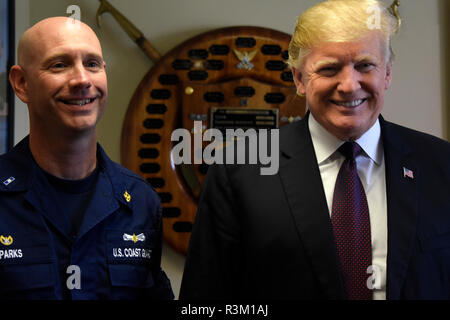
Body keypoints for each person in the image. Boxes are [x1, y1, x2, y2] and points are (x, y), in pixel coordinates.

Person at [179, 0, 450, 300]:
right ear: (299, 78)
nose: (349, 85)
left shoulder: (441, 165)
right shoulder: (239, 172)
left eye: (365, 65)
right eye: (329, 68)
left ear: (386, 73)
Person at [1, 17, 174, 300]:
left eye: (92, 64)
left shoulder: (139, 201)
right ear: (22, 83)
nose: (82, 79)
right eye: (59, 65)